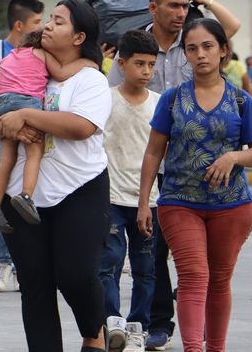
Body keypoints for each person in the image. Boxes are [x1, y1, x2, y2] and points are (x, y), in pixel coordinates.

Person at [106, 0, 243, 351]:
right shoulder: (137, 45)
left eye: (186, 5)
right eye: (174, 5)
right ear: (153, 8)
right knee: (156, 250)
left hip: (190, 170)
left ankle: (171, 320)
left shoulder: (196, 43)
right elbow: (118, 102)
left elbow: (229, 30)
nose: (182, 12)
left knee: (176, 255)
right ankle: (158, 322)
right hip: (153, 163)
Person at [0, 0, 111, 352]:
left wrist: (26, 117)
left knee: (76, 275)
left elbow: (81, 126)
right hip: (20, 198)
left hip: (79, 190)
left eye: (59, 21)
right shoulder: (26, 66)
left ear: (79, 36)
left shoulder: (89, 79)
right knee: (35, 285)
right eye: (49, 19)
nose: (49, 26)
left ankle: (93, 334)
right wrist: (9, 123)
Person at [136, 18, 252, 352]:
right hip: (180, 202)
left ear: (223, 51)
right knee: (194, 276)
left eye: (208, 46)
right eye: (192, 49)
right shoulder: (172, 99)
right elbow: (153, 153)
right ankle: (194, 348)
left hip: (232, 205)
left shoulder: (240, 100)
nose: (200, 55)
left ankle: (216, 348)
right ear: (185, 56)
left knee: (220, 281)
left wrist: (233, 158)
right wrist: (143, 203)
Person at [0, 29, 99, 232]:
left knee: (7, 158)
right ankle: (26, 196)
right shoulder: (41, 53)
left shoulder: (11, 56)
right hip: (26, 102)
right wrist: (88, 64)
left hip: (2, 104)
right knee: (34, 153)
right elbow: (61, 73)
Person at [0, 0, 44, 292]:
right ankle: (2, 262)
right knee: (24, 162)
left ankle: (16, 258)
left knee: (3, 176)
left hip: (3, 108)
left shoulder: (10, 57)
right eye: (38, 22)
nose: (44, 27)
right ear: (21, 25)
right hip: (5, 120)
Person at [99, 30, 161, 352]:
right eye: (140, 64)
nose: (146, 72)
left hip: (149, 201)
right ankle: (114, 322)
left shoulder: (159, 104)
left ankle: (139, 326)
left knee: (145, 269)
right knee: (108, 263)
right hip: (110, 198)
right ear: (122, 64)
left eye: (151, 64)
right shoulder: (106, 100)